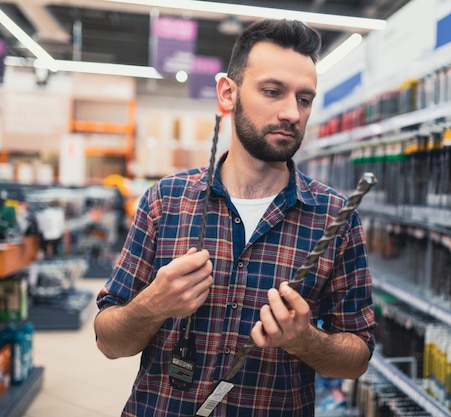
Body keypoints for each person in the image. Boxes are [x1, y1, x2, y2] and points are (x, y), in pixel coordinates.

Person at [94, 18, 376, 417]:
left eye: (304, 99)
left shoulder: (334, 218)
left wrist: (304, 339)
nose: (292, 113)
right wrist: (153, 305)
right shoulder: (166, 200)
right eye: (273, 92)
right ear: (228, 93)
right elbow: (109, 341)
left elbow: (358, 357)